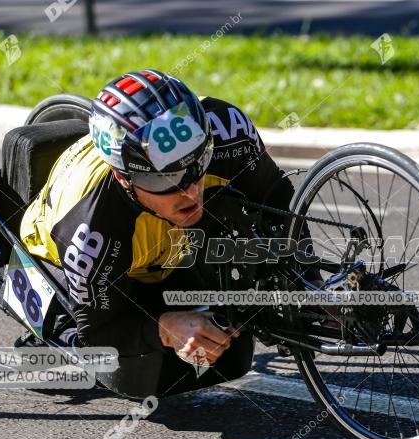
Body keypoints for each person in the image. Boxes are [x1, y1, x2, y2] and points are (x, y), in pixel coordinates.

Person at [19, 69, 294, 399]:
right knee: (136, 377)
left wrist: (307, 281)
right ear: (125, 179)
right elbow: (100, 333)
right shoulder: (89, 228)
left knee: (232, 355)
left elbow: (278, 199)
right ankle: (48, 335)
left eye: (197, 164)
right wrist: (167, 328)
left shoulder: (226, 127)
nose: (190, 192)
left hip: (162, 249)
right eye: (164, 180)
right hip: (60, 257)